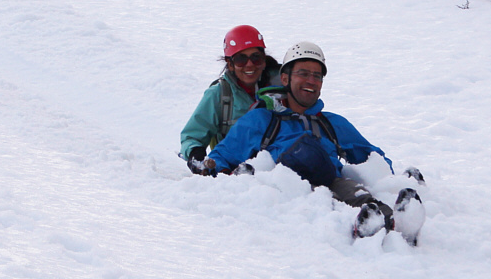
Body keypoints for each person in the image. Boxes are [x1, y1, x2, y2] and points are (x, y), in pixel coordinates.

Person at [203, 41, 424, 241]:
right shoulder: (261, 118)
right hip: (285, 190)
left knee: (357, 194)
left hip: (331, 181)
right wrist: (218, 171)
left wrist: (390, 176)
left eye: (317, 76)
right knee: (319, 203)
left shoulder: (331, 123)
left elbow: (373, 159)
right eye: (303, 73)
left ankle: (392, 223)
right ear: (285, 78)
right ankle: (364, 228)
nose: (311, 81)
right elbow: (222, 156)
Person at [180, 25, 280, 175]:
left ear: (264, 60)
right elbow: (193, 135)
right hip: (232, 171)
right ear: (230, 64)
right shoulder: (219, 94)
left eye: (256, 58)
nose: (249, 64)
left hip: (278, 169)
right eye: (241, 59)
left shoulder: (282, 87)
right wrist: (196, 155)